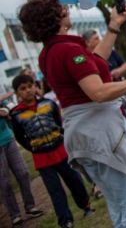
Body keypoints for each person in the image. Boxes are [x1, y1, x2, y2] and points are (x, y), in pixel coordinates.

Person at [17, 0, 126, 228]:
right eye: (61, 7)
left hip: (87, 137)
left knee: (122, 209)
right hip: (101, 135)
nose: (67, 8)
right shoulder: (66, 50)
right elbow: (98, 92)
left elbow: (94, 62)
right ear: (55, 16)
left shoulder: (50, 52)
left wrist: (114, 26)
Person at [10, 74, 94, 228]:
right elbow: (20, 137)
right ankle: (65, 220)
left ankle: (86, 206)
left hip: (61, 151)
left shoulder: (49, 104)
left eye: (30, 86)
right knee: (55, 191)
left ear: (35, 86)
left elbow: (58, 123)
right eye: (23, 89)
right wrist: (34, 147)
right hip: (42, 159)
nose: (28, 90)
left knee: (74, 180)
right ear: (17, 93)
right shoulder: (15, 114)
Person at [82, 30, 126, 164]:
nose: (99, 40)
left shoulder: (111, 52)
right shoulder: (86, 59)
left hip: (122, 92)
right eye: (95, 38)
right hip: (106, 99)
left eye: (99, 37)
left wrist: (118, 71)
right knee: (115, 127)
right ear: (87, 42)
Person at [0, 99, 44, 226]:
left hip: (9, 140)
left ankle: (30, 207)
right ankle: (15, 215)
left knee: (23, 173)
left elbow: (9, 108)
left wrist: (5, 110)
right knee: (4, 182)